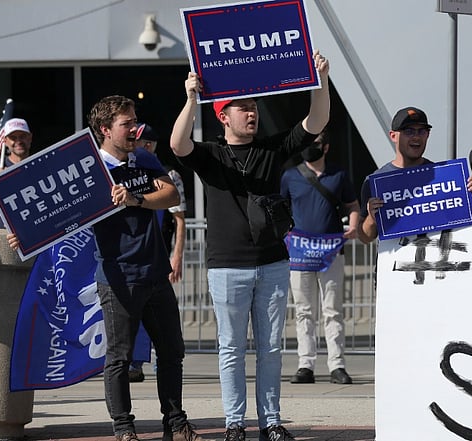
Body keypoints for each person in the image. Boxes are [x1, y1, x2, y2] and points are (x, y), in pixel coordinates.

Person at [169, 51, 330, 441]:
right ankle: (234, 423)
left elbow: (316, 123)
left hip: (273, 262)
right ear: (224, 116)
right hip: (227, 266)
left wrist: (320, 80)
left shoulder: (271, 149)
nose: (251, 113)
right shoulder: (211, 155)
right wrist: (191, 98)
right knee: (231, 349)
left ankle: (271, 422)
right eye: (242, 108)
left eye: (254, 106)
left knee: (271, 349)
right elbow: (178, 144)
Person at [88, 96, 201, 441]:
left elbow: (170, 196)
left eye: (135, 121)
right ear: (106, 130)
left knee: (171, 352)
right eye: (126, 124)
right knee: (120, 358)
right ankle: (124, 429)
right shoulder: (91, 168)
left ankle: (176, 424)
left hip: (155, 273)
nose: (135, 129)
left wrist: (136, 199)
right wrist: (23, 237)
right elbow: (56, 217)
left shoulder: (145, 158)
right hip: (118, 277)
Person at [280, 129, 359, 385]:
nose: (309, 148)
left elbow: (352, 204)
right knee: (304, 311)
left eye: (315, 144)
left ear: (325, 148)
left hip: (331, 251)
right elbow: (280, 210)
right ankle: (306, 365)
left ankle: (337, 365)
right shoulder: (290, 176)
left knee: (332, 310)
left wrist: (354, 225)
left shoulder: (338, 175)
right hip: (300, 252)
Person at [359, 106, 472, 243]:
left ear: (428, 135)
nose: (416, 137)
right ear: (393, 136)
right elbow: (365, 237)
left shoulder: (443, 177)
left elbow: (462, 225)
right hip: (396, 263)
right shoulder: (375, 182)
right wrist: (371, 218)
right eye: (409, 131)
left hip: (436, 262)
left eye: (422, 131)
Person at [127, 123, 187, 383]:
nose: (139, 146)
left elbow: (180, 220)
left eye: (143, 142)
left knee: (162, 317)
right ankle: (135, 363)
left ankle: (158, 363)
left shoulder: (169, 175)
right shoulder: (126, 173)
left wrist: (177, 256)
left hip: (160, 254)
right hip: (134, 257)